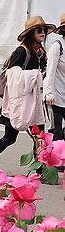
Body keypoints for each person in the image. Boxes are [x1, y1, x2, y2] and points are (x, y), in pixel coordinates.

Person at [0, 16, 55, 168]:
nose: (43, 33)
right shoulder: (21, 51)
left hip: (34, 101)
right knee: (10, 138)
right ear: (30, 33)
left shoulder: (40, 51)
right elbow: (13, 76)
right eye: (39, 30)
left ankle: (39, 171)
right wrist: (34, 76)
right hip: (19, 101)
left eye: (44, 30)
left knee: (39, 137)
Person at [45, 14, 65, 146]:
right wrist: (49, 92)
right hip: (57, 95)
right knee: (57, 131)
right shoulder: (57, 46)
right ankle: (52, 161)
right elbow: (50, 71)